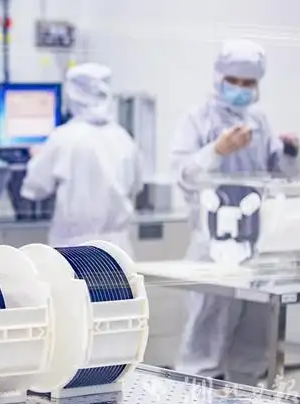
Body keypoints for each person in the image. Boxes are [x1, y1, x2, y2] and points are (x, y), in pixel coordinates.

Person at [171, 39, 299, 385]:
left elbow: (279, 176)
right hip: (211, 253)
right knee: (204, 349)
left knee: (252, 349)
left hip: (255, 253)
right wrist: (216, 150)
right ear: (219, 78)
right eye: (234, 81)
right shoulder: (197, 119)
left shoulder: (259, 120)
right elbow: (184, 176)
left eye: (248, 83)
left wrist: (290, 152)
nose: (241, 89)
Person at [20, 63, 143, 255]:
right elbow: (136, 187)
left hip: (75, 249)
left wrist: (36, 158)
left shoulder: (63, 137)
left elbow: (35, 188)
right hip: (119, 249)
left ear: (72, 96)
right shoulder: (124, 138)